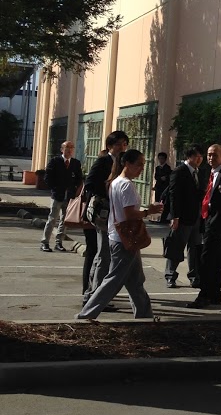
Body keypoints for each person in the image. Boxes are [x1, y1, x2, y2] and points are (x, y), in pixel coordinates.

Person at [76, 148, 163, 319]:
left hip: (119, 236)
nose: (141, 168)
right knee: (114, 280)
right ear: (127, 164)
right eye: (139, 164)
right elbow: (130, 214)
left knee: (136, 281)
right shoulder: (126, 185)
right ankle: (86, 314)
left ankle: (145, 316)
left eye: (143, 165)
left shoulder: (115, 182)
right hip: (124, 239)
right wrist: (148, 211)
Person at [188, 143, 221, 308]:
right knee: (214, 258)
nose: (211, 158)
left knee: (206, 258)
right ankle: (215, 294)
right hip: (206, 219)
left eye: (215, 155)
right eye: (209, 155)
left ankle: (204, 294)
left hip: (217, 222)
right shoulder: (207, 173)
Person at [82, 130, 129, 303]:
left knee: (104, 255)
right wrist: (109, 192)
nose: (122, 147)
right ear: (109, 146)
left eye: (124, 144)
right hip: (102, 213)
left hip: (115, 214)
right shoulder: (103, 161)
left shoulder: (123, 162)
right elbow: (90, 183)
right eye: (118, 144)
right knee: (103, 254)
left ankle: (92, 292)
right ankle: (94, 295)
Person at [164, 144, 205, 288]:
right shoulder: (179, 172)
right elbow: (174, 195)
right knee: (176, 247)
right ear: (189, 157)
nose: (199, 159)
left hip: (196, 217)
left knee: (195, 248)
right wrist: (175, 216)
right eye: (196, 156)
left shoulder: (200, 172)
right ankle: (170, 275)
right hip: (182, 217)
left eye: (200, 156)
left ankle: (194, 276)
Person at [40, 141, 83, 252]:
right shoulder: (55, 161)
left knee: (64, 220)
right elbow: (47, 177)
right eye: (67, 147)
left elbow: (79, 179)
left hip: (69, 196)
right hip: (57, 195)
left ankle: (59, 242)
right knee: (52, 219)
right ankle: (45, 242)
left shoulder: (75, 163)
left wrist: (75, 190)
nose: (69, 150)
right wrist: (55, 187)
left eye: (71, 147)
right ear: (62, 149)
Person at [153, 151, 172, 223]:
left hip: (164, 188)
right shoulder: (157, 168)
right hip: (158, 187)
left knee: (163, 202)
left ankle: (163, 218)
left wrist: (165, 178)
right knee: (157, 201)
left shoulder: (167, 168)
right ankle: (155, 218)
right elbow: (156, 177)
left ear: (165, 159)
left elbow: (169, 177)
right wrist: (160, 178)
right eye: (159, 158)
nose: (161, 160)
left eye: (162, 158)